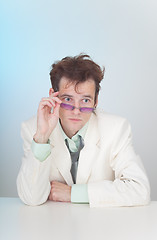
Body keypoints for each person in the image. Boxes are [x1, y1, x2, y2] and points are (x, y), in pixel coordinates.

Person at [17, 54, 150, 207]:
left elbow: (140, 190)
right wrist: (42, 138)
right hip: (54, 225)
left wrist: (73, 193)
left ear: (96, 101)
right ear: (53, 96)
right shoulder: (34, 129)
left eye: (85, 100)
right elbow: (31, 198)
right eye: (67, 99)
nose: (76, 111)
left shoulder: (115, 128)